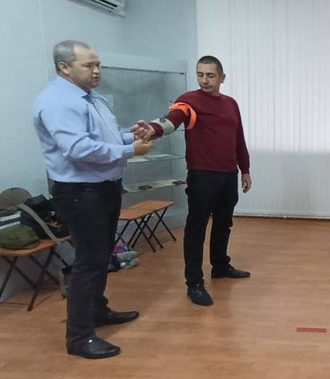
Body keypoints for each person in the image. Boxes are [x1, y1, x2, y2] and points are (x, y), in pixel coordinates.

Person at [33, 40, 153, 359]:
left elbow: (104, 137)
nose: (97, 70)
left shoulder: (90, 97)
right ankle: (79, 336)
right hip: (80, 193)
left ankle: (98, 311)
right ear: (64, 67)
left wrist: (131, 136)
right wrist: (130, 150)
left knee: (101, 258)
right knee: (89, 262)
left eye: (98, 64)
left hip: (103, 188)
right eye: (89, 65)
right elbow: (78, 149)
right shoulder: (58, 101)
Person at [134, 55, 251, 307]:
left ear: (222, 78)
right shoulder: (189, 101)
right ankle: (194, 283)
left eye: (210, 75)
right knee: (196, 228)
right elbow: (172, 119)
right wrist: (153, 129)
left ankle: (220, 265)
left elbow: (238, 138)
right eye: (200, 75)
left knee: (224, 223)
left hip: (228, 174)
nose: (204, 80)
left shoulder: (231, 104)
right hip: (202, 176)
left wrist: (245, 169)